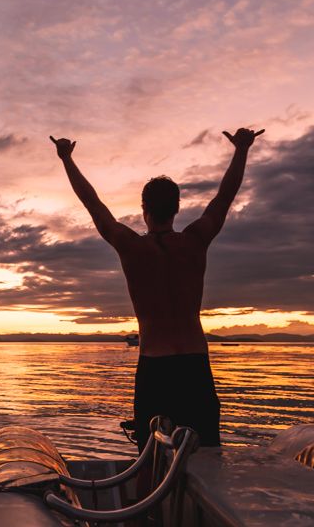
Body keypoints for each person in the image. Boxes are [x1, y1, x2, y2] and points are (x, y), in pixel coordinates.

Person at [50, 127, 263, 450]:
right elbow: (224, 197)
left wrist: (66, 159)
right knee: (206, 455)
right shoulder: (195, 240)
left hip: (155, 368)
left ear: (143, 208)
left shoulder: (130, 246)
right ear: (177, 207)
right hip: (194, 365)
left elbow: (92, 203)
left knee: (151, 456)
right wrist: (242, 150)